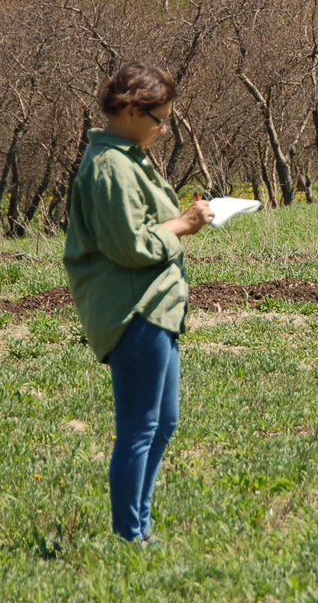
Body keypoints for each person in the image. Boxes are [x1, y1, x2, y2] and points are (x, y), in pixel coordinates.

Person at [63, 63, 214, 543]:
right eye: (159, 118)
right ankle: (130, 536)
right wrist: (185, 225)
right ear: (130, 109)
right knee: (139, 429)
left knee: (163, 422)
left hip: (157, 307)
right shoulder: (109, 167)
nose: (163, 128)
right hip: (134, 311)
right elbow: (130, 245)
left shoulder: (129, 154)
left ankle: (141, 526)